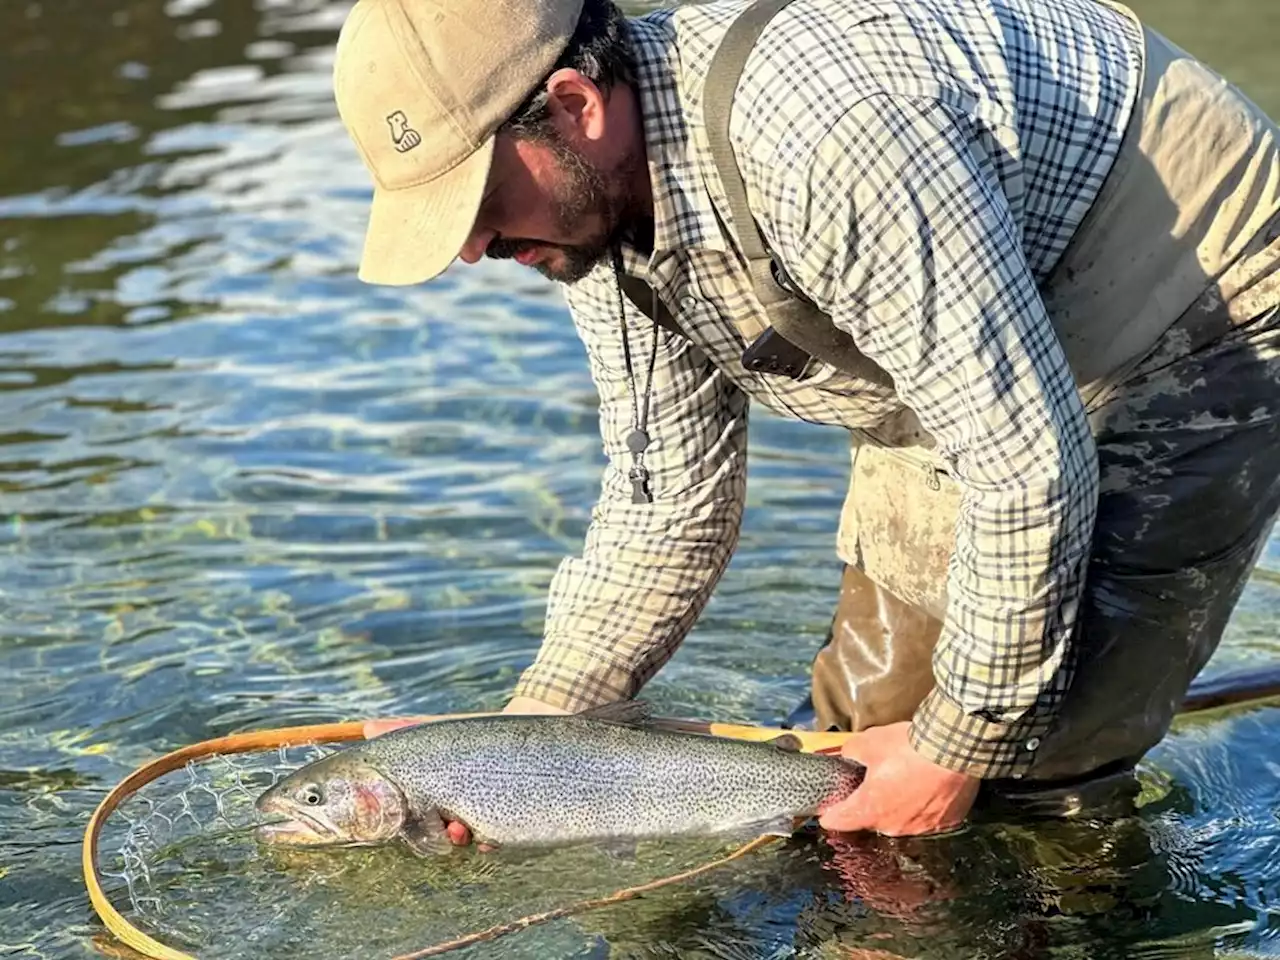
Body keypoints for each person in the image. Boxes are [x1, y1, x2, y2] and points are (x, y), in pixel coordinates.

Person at [335, 0, 1280, 838]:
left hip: (1192, 295)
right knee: (847, 757)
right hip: (967, 325)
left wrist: (961, 746)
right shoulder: (590, 216)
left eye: (478, 200)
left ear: (578, 106)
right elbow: (666, 505)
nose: (469, 248)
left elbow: (1024, 465)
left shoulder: (826, 137)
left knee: (1035, 765)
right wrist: (525, 739)